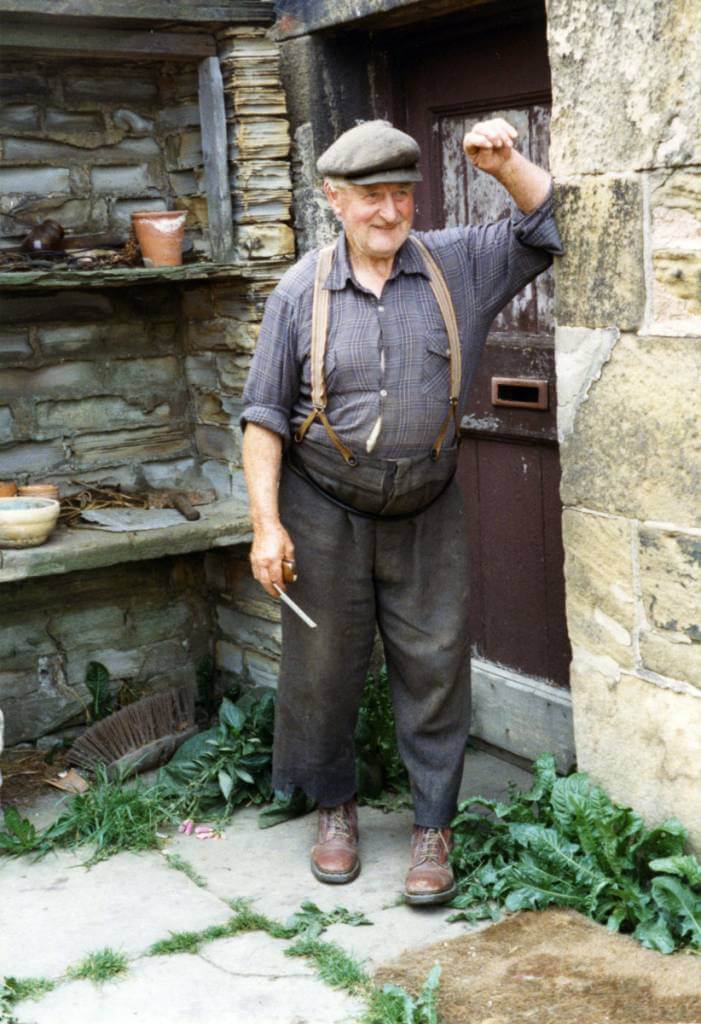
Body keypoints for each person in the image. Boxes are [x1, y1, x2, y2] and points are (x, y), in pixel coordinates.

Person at [241, 118, 562, 905]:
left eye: (399, 195)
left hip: (427, 506)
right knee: (322, 670)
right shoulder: (298, 290)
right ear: (333, 200)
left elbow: (545, 225)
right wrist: (266, 524)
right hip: (322, 505)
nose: (387, 212)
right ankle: (334, 810)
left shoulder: (455, 264)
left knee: (435, 665)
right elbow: (262, 415)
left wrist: (506, 163)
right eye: (369, 198)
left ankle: (431, 826)